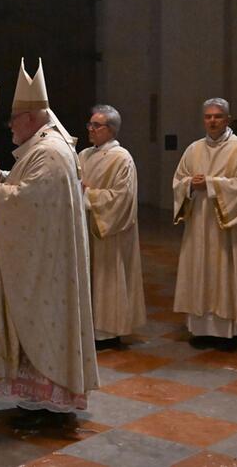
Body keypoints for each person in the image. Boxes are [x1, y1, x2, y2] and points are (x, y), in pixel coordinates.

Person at [0, 58, 98, 424]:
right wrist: (3, 176)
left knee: (43, 326)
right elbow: (32, 191)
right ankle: (36, 400)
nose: (10, 127)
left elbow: (29, 203)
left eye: (14, 119)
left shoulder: (49, 151)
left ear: (31, 118)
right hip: (46, 261)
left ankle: (50, 404)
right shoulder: (46, 146)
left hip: (45, 268)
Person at [172, 98, 237, 351]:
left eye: (218, 116)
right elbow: (178, 180)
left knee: (227, 273)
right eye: (208, 116)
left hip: (229, 228)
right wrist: (189, 184)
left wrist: (210, 184)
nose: (212, 121)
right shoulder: (194, 149)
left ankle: (230, 332)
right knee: (201, 271)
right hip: (199, 223)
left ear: (228, 119)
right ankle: (201, 330)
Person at [80, 105, 146, 350]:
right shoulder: (84, 155)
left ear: (111, 129)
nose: (91, 130)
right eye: (90, 125)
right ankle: (88, 328)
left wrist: (88, 194)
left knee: (107, 279)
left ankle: (108, 333)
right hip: (86, 227)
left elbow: (122, 198)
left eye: (96, 126)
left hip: (109, 231)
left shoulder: (122, 158)